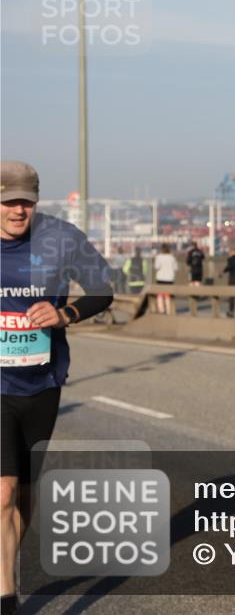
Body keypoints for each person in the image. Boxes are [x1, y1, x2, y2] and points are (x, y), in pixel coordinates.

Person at [1, 161, 113, 615]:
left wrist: (65, 315)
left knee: (25, 492)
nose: (18, 209)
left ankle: (6, 558)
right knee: (3, 490)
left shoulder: (60, 238)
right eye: (9, 200)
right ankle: (6, 598)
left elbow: (104, 288)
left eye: (26, 200)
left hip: (42, 381)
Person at [153, 243, 178, 314]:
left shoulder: (159, 257)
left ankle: (161, 310)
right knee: (168, 295)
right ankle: (168, 311)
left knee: (160, 295)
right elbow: (176, 268)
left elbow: (156, 267)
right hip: (170, 278)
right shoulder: (172, 257)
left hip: (160, 278)